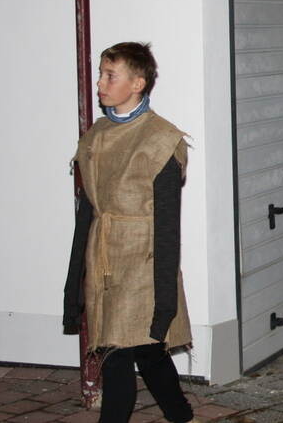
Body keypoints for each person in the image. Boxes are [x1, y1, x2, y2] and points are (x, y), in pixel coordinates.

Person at [62, 42, 196, 423]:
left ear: (137, 83)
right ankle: (181, 415)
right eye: (101, 74)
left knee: (118, 356)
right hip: (103, 262)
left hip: (144, 266)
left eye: (110, 75)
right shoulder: (96, 138)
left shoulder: (160, 141)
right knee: (149, 354)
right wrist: (74, 286)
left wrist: (165, 303)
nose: (100, 84)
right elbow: (86, 215)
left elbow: (169, 229)